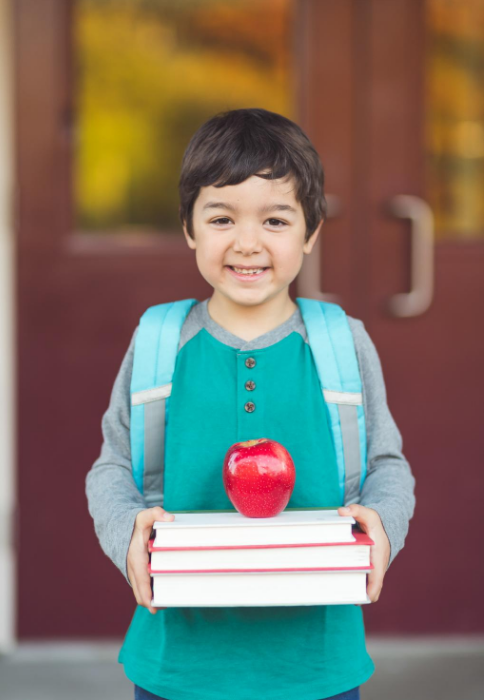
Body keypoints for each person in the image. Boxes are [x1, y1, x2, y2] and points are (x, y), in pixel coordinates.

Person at [85, 108, 416, 700]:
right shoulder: (159, 342)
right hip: (176, 666)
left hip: (317, 668)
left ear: (311, 232)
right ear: (189, 227)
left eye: (276, 219)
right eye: (220, 217)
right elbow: (112, 465)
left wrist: (384, 526)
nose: (247, 242)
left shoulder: (342, 343)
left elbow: (387, 466)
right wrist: (125, 529)